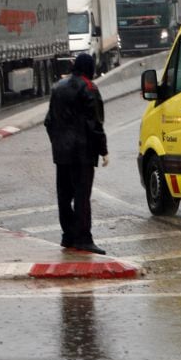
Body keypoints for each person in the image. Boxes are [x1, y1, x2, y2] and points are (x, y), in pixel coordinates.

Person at [44, 53, 108, 254]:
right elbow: (95, 123)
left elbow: (48, 121)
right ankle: (83, 238)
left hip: (61, 153)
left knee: (64, 195)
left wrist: (57, 142)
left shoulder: (57, 87)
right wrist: (103, 150)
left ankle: (68, 235)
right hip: (82, 152)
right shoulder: (89, 88)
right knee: (82, 195)